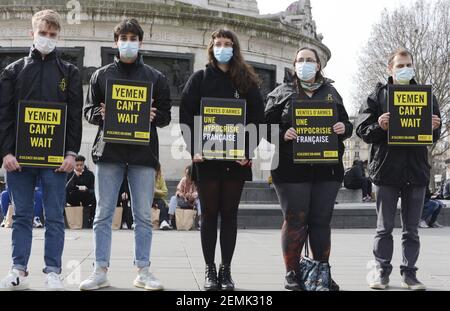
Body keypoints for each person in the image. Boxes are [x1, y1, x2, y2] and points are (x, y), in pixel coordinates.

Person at [80, 18, 171, 291]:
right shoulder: (101, 75)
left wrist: (155, 115)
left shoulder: (156, 78)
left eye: (133, 38)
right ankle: (99, 270)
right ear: (115, 42)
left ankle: (143, 270)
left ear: (140, 43)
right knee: (103, 214)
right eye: (124, 38)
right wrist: (100, 113)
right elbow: (88, 112)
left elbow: (166, 116)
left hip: (143, 156)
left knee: (143, 215)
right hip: (109, 153)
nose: (128, 43)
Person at [0, 9, 83, 290]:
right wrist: (6, 153)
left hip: (56, 161)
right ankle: (17, 268)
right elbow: (4, 115)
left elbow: (73, 117)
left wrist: (71, 153)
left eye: (52, 34)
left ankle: (53, 271)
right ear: (31, 33)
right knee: (21, 215)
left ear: (58, 35)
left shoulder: (69, 73)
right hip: (18, 161)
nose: (47, 38)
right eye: (42, 33)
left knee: (54, 216)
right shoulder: (12, 71)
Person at [180, 28, 265, 291]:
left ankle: (226, 271)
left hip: (236, 161)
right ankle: (209, 269)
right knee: (209, 214)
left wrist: (248, 150)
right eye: (218, 43)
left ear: (235, 48)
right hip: (205, 160)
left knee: (229, 214)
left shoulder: (247, 82)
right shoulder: (199, 78)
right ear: (211, 47)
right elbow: (186, 116)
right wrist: (193, 148)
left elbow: (258, 120)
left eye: (227, 43)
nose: (222, 47)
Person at [265, 47, 353, 291]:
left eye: (310, 60)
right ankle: (292, 273)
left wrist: (342, 128)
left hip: (327, 168)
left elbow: (347, 125)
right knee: (295, 220)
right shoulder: (281, 93)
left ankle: (321, 272)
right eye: (301, 60)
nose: (305, 63)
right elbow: (263, 128)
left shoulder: (331, 93)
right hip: (290, 168)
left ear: (318, 65)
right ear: (294, 65)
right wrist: (283, 134)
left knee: (321, 221)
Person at [356, 48, 441, 291]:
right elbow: (362, 129)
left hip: (416, 170)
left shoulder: (426, 95)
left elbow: (431, 133)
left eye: (409, 65)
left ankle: (410, 274)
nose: (405, 69)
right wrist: (380, 125)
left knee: (412, 230)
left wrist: (435, 126)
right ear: (390, 69)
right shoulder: (377, 95)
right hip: (386, 170)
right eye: (400, 65)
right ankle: (381, 273)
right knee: (384, 228)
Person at [66, 155, 96, 228]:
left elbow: (92, 188)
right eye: (77, 165)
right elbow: (67, 188)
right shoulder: (69, 174)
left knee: (95, 197)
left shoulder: (89, 174)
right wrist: (74, 177)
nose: (79, 167)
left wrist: (86, 189)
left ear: (83, 164)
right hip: (73, 196)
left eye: (81, 165)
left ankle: (91, 220)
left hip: (86, 196)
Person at [168, 165, 201, 229]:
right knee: (173, 198)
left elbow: (199, 192)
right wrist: (181, 195)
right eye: (185, 174)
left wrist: (193, 195)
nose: (186, 176)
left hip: (194, 202)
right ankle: (169, 221)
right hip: (184, 201)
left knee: (200, 201)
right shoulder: (183, 180)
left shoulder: (197, 181)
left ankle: (200, 222)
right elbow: (178, 191)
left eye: (187, 175)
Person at [153, 163, 171, 230]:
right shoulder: (146, 178)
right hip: (147, 198)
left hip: (157, 198)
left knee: (162, 203)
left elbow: (165, 191)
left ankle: (163, 222)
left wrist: (156, 191)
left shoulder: (160, 178)